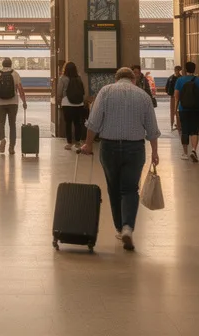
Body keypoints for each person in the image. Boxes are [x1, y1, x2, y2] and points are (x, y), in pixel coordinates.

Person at [80, 67, 161, 251]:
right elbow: (152, 129)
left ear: (116, 79)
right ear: (133, 79)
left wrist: (88, 144)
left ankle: (118, 227)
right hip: (135, 148)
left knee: (114, 188)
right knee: (130, 189)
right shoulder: (143, 96)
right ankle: (128, 228)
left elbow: (93, 122)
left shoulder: (106, 91)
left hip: (109, 147)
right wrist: (155, 152)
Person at [0, 58, 27, 155]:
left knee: (1, 122)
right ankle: (11, 147)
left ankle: (2, 139)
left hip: (1, 103)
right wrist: (24, 101)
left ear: (2, 64)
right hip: (13, 103)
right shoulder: (15, 74)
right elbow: (20, 89)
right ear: (11, 64)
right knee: (12, 125)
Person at [172, 61, 199, 161]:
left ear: (185, 70)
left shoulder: (180, 80)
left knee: (185, 130)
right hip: (196, 109)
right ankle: (194, 150)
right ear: (194, 69)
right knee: (195, 130)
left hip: (184, 109)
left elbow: (176, 96)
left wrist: (175, 109)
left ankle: (185, 153)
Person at [55, 61, 88, 151]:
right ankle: (77, 142)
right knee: (78, 123)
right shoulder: (79, 77)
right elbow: (83, 90)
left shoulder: (62, 78)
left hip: (67, 103)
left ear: (65, 69)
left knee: (68, 124)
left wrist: (58, 100)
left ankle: (69, 143)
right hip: (79, 103)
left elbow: (59, 91)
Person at [166, 65, 183, 130]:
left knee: (174, 111)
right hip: (178, 97)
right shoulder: (181, 78)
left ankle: (175, 124)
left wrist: (169, 93)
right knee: (176, 111)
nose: (177, 71)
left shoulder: (171, 78)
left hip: (174, 96)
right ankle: (175, 124)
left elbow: (167, 88)